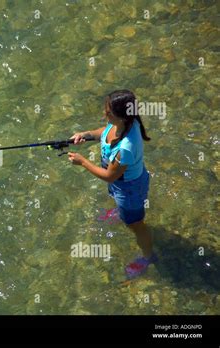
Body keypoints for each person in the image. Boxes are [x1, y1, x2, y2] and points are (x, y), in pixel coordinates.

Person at [68, 90, 157, 279]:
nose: (104, 114)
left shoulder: (126, 147)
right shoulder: (121, 124)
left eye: (108, 112)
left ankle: (148, 256)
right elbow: (105, 132)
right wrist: (86, 135)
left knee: (135, 224)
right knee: (122, 206)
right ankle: (120, 210)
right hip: (120, 185)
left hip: (129, 189)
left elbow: (109, 176)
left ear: (121, 116)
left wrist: (83, 162)